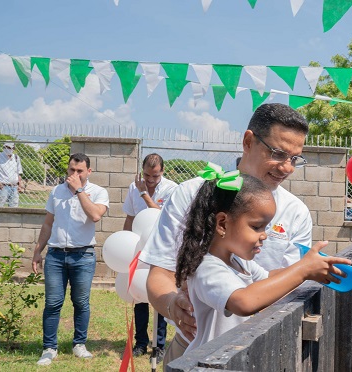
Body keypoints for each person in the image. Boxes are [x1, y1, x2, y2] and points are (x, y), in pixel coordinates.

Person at [138, 103, 314, 368]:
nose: (287, 167)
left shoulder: (296, 212)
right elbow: (160, 275)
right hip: (194, 350)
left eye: (294, 159)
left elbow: (283, 288)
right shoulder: (191, 194)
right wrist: (175, 306)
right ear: (248, 141)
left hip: (265, 350)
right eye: (278, 153)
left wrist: (307, 268)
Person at [175, 171, 349, 353]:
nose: (264, 234)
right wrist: (302, 270)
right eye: (256, 226)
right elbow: (244, 302)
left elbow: (268, 277)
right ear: (223, 224)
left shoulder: (238, 262)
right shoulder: (207, 267)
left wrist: (310, 268)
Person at [31, 153, 109, 366]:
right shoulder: (56, 191)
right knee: (53, 303)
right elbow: (48, 223)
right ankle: (49, 348)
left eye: (79, 171)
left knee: (81, 302)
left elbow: (95, 215)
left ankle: (79, 344)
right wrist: (38, 250)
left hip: (83, 256)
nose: (74, 174)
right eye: (71, 170)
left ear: (89, 172)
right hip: (56, 255)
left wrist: (79, 191)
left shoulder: (99, 192)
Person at [122, 153, 178, 358]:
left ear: (162, 172)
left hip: (162, 249)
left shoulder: (171, 189)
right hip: (139, 249)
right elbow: (130, 217)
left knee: (160, 296)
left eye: (155, 176)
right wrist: (126, 243)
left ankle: (159, 344)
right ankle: (140, 342)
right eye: (146, 175)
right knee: (139, 297)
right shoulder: (132, 187)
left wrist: (144, 194)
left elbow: (162, 216)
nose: (150, 180)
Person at [0, 142, 23, 207]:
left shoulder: (16, 157)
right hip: (2, 186)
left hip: (14, 186)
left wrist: (20, 183)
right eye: (7, 147)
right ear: (3, 148)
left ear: (14, 149)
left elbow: (19, 172)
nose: (8, 149)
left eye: (10, 148)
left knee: (14, 207)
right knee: (0, 207)